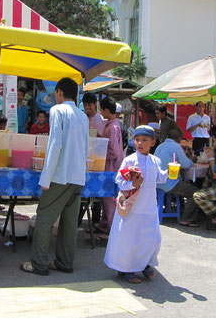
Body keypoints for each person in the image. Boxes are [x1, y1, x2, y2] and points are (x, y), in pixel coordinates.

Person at [20, 78, 89, 276]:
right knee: (69, 223)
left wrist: (45, 178)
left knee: (44, 218)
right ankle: (64, 263)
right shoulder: (82, 116)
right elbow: (85, 149)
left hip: (60, 175)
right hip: (77, 176)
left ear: (59, 92)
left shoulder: (57, 111)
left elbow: (55, 145)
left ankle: (39, 264)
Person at [104, 125, 168, 284]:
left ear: (153, 142)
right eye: (137, 140)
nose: (140, 143)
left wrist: (171, 172)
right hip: (132, 208)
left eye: (144, 140)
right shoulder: (130, 160)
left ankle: (144, 263)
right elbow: (119, 180)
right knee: (129, 239)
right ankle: (125, 269)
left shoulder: (154, 161)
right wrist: (134, 184)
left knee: (151, 238)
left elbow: (159, 178)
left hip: (149, 208)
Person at [154, 127, 201, 227]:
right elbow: (185, 164)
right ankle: (187, 219)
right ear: (179, 139)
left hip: (156, 181)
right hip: (169, 182)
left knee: (186, 187)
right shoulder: (176, 146)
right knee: (196, 193)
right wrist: (192, 160)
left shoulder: (160, 146)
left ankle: (182, 209)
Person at [95, 97, 124, 238]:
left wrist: (100, 150)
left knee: (109, 199)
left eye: (101, 109)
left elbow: (114, 151)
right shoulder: (111, 125)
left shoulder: (112, 127)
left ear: (106, 110)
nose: (100, 112)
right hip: (108, 166)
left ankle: (112, 230)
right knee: (105, 197)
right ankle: (105, 223)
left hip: (111, 167)